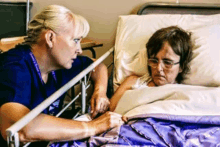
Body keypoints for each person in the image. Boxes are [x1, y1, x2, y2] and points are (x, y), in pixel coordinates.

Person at [0, 5, 125, 146]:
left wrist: (100, 91)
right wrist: (93, 126)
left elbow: (98, 66)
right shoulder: (15, 67)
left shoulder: (57, 64)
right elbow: (18, 127)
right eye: (75, 40)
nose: (79, 51)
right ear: (50, 38)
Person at [110, 26, 193, 111]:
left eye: (167, 62)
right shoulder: (133, 82)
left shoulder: (184, 94)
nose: (158, 68)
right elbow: (112, 111)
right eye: (154, 61)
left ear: (181, 67)